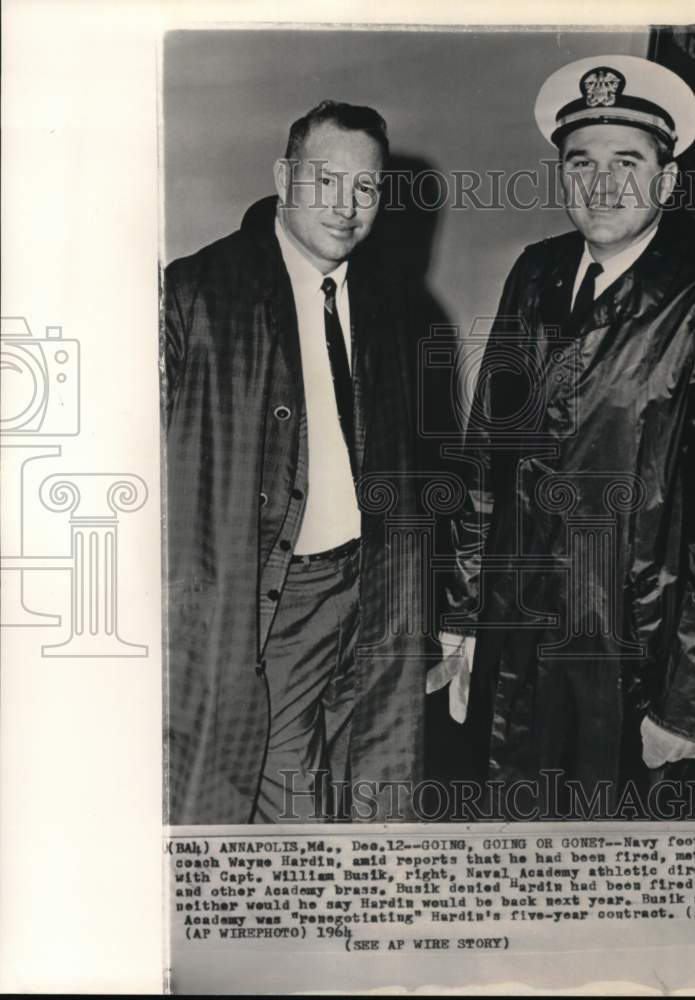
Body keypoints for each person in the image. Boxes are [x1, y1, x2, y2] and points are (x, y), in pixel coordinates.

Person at [435, 55, 695, 819]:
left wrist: (690, 707)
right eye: (582, 163)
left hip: (633, 654)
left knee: (611, 855)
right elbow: (486, 461)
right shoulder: (534, 274)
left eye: (627, 162)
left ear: (667, 182)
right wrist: (461, 620)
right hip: (518, 635)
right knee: (513, 836)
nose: (601, 185)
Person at [164, 100, 427, 824]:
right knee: (290, 818)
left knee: (377, 799)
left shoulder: (393, 302)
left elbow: (421, 472)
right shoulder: (197, 293)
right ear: (284, 179)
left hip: (375, 591)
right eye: (326, 180)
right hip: (273, 602)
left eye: (366, 187)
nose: (346, 206)